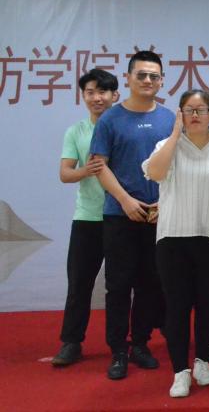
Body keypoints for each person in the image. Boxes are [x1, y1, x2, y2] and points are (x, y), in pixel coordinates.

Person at [143, 90, 209, 398]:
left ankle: (202, 362)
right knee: (177, 306)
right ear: (180, 114)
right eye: (188, 110)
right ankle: (179, 371)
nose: (195, 115)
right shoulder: (167, 145)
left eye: (201, 109)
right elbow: (154, 173)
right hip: (173, 238)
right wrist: (174, 136)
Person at [91, 50, 175, 380]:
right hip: (119, 214)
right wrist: (125, 200)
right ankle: (118, 350)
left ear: (162, 81)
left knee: (150, 283)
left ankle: (140, 343)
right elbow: (99, 166)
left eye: (154, 76)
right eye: (141, 75)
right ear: (127, 78)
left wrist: (164, 204)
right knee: (118, 285)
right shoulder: (110, 119)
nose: (147, 80)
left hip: (158, 215)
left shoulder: (170, 119)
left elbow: (176, 167)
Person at [52, 69, 120, 367]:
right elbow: (65, 173)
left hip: (121, 216)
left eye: (102, 92)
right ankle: (71, 342)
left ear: (115, 95)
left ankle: (123, 344)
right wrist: (87, 170)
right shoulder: (76, 131)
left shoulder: (123, 126)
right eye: (90, 92)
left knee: (120, 285)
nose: (97, 98)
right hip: (87, 218)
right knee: (79, 283)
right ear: (83, 96)